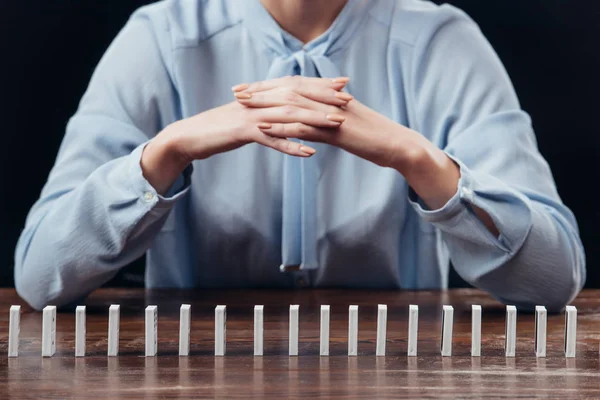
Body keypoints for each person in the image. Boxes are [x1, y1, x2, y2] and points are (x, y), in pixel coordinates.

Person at [15, 0, 585, 311]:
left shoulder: (441, 39)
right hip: (192, 374)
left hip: (405, 374)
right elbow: (41, 275)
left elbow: (555, 279)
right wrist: (165, 153)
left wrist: (421, 162)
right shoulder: (159, 36)